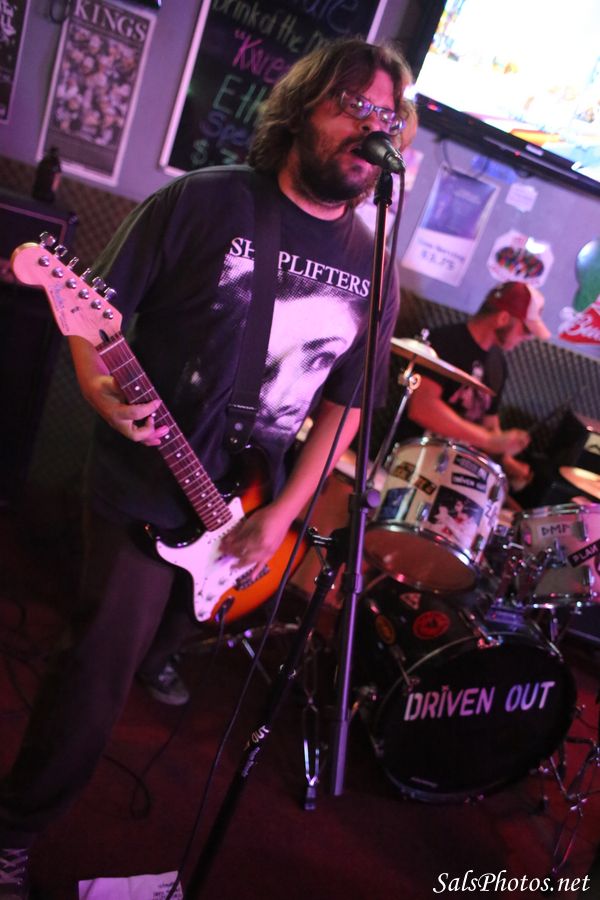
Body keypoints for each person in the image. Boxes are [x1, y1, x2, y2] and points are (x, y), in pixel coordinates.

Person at [0, 37, 413, 896]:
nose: (368, 130)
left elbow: (344, 408)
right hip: (147, 485)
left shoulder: (376, 268)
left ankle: (169, 647)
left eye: (384, 115)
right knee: (94, 682)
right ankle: (15, 830)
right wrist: (99, 390)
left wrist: (283, 516)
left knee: (172, 648)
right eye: (351, 105)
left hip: (247, 507)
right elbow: (96, 313)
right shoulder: (205, 200)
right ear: (302, 107)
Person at [398, 281, 551, 495]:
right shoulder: (445, 342)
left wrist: (504, 456)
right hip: (413, 464)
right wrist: (490, 441)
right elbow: (422, 408)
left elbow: (490, 425)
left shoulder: (498, 364)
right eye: (525, 330)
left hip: (457, 473)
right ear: (503, 318)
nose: (527, 338)